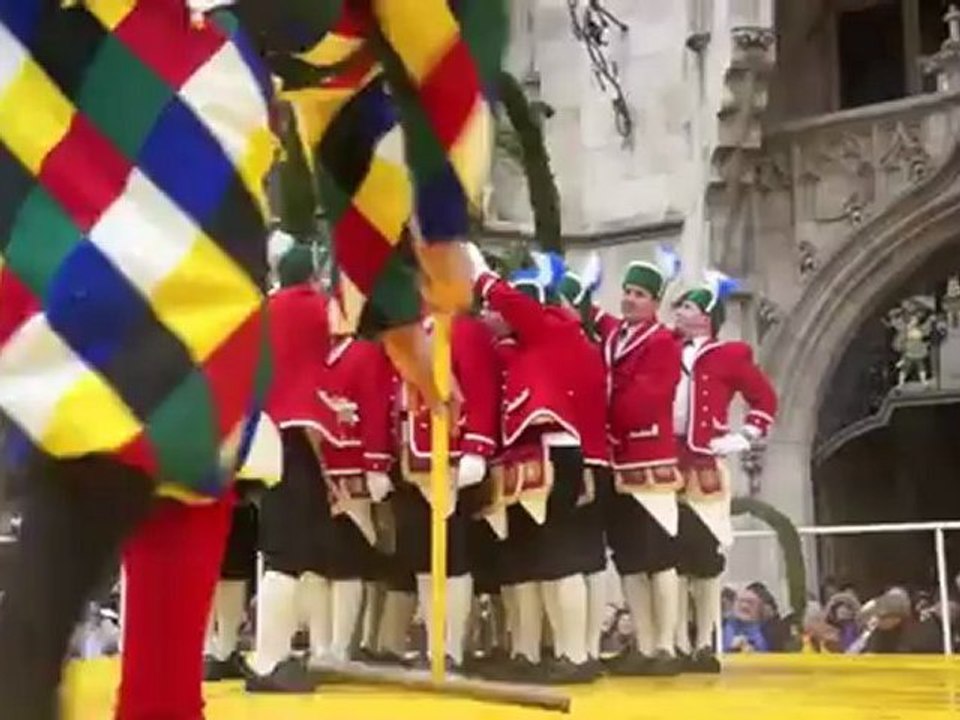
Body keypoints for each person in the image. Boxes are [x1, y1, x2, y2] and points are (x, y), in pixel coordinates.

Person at [0, 1, 506, 717]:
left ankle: (146, 697)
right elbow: (429, 55)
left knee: (160, 403)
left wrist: (395, 302)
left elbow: (345, 94)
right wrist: (443, 222)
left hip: (38, 63)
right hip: (167, 53)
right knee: (168, 374)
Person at [470, 249, 604, 684]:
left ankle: (576, 654)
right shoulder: (525, 346)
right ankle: (527, 653)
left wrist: (481, 275)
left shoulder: (554, 330)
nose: (491, 314)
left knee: (560, 557)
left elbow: (514, 307)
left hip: (555, 451)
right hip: (523, 456)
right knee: (525, 560)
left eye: (498, 308)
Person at [563, 257, 683, 675]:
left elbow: (649, 396)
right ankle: (645, 645)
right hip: (618, 461)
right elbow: (585, 309)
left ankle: (667, 646)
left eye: (640, 295)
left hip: (649, 458)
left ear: (655, 302)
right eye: (628, 292)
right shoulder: (617, 333)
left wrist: (603, 413)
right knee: (630, 557)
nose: (631, 300)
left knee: (660, 556)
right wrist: (567, 278)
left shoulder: (663, 341)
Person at [672, 277, 778, 673]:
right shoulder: (665, 348)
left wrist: (745, 436)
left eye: (687, 307)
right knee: (669, 554)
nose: (678, 313)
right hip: (666, 457)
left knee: (703, 554)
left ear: (705, 317)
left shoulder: (728, 355)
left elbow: (764, 398)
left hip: (704, 458)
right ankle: (676, 640)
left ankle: (705, 641)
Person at [394, 312, 501, 671]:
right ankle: (434, 643)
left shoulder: (465, 329)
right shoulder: (408, 330)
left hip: (451, 457)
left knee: (453, 557)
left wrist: (477, 447)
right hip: (414, 457)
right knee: (423, 558)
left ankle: (452, 647)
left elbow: (481, 387)